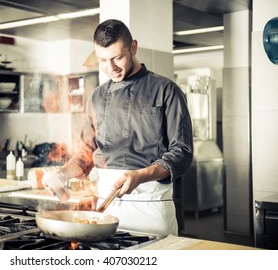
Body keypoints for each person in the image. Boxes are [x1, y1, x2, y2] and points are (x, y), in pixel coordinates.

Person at [45, 19, 193, 236]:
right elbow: (87, 151)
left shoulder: (166, 90)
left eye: (117, 58)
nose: (110, 68)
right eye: (102, 60)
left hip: (150, 207)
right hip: (105, 209)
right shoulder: (96, 97)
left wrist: (141, 175)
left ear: (133, 47)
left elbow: (182, 153)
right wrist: (63, 174)